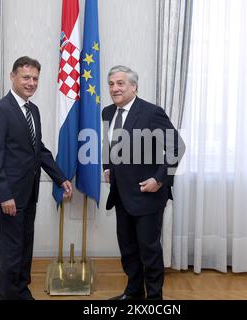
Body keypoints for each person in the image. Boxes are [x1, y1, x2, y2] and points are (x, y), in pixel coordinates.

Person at [0, 56, 72, 300]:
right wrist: (4, 196)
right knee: (11, 253)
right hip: (9, 198)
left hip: (28, 195)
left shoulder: (33, 110)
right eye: (26, 77)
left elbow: (39, 149)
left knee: (24, 250)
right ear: (12, 77)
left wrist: (60, 177)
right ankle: (9, 295)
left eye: (35, 78)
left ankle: (22, 292)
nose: (31, 82)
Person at [102, 65, 184, 300]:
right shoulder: (107, 112)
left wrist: (159, 180)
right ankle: (133, 292)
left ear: (133, 86)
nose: (114, 88)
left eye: (120, 83)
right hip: (121, 195)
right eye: (111, 84)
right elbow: (110, 145)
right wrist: (107, 166)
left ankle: (154, 298)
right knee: (128, 249)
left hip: (148, 194)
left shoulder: (151, 112)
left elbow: (177, 148)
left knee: (149, 251)